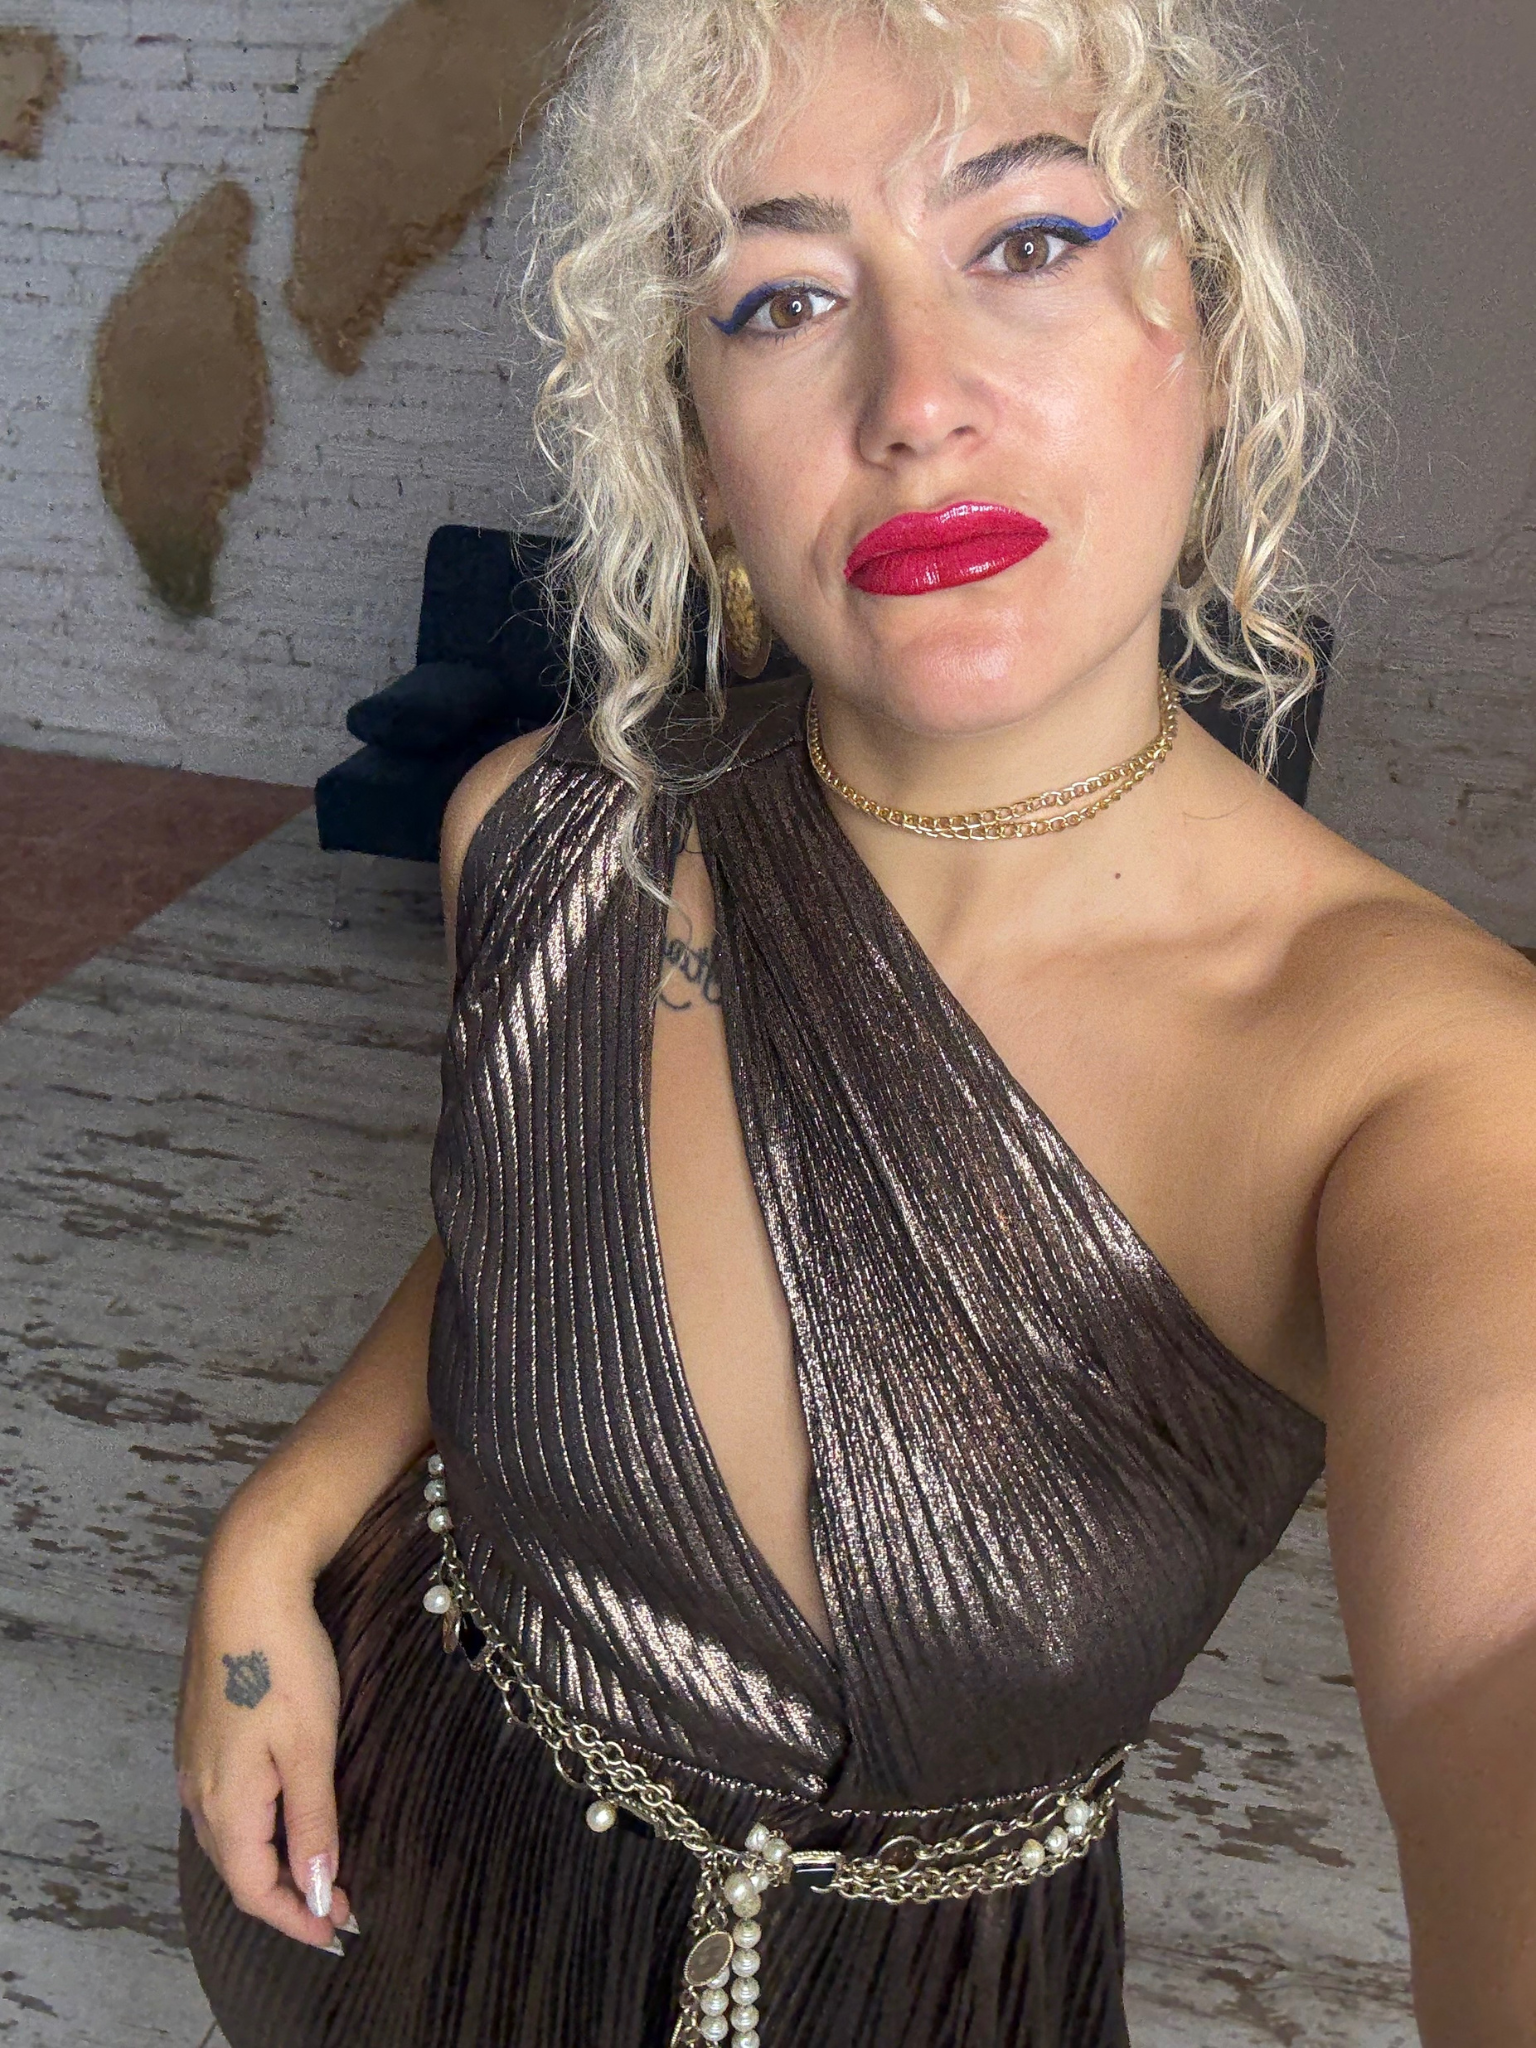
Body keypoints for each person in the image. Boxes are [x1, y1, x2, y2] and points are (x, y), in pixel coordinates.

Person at [175, 1, 1536, 2042]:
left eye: (1030, 241)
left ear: (1218, 324)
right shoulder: (542, 840)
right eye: (785, 297)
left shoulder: (1423, 1091)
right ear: (694, 445)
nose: (917, 402)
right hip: (383, 1853)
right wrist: (273, 1531)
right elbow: (527, 1224)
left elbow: (1496, 1660)